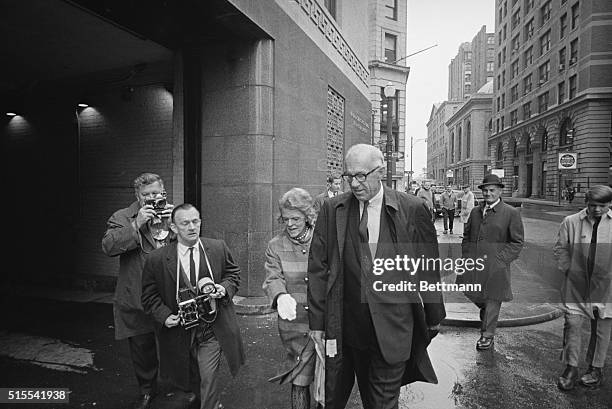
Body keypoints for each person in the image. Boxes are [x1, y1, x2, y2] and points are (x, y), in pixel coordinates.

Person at [307, 144, 445, 409]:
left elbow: (428, 265)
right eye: (350, 177)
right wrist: (317, 322)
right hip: (346, 329)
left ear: (380, 170)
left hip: (393, 328)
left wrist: (433, 314)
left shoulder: (412, 208)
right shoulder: (332, 209)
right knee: (334, 397)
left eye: (362, 175)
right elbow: (318, 267)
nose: (355, 184)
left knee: (381, 403)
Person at [141, 204, 244, 409]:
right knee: (190, 377)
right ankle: (205, 400)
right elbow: (148, 295)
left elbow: (233, 275)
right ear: (173, 227)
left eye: (195, 221)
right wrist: (164, 315)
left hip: (212, 329)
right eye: (185, 223)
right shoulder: (157, 259)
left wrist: (223, 289)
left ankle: (211, 405)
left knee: (208, 376)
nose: (191, 227)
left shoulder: (217, 248)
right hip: (181, 331)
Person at [102, 172, 174, 409]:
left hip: (168, 296)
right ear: (137, 196)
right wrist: (136, 224)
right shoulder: (122, 216)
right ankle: (147, 391)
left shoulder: (173, 214)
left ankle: (180, 387)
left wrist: (177, 223)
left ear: (163, 193)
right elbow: (109, 246)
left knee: (176, 344)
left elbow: (191, 244)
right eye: (146, 195)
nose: (152, 199)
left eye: (156, 194)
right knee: (142, 349)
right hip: (137, 297)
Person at [263, 188, 319, 409]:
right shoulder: (275, 245)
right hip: (295, 325)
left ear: (307, 216)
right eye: (286, 219)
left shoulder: (323, 239)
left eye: (296, 218)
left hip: (324, 324)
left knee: (327, 382)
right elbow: (272, 276)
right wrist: (280, 295)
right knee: (300, 380)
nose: (290, 224)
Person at [553, 185, 612, 390]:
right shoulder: (571, 222)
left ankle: (596, 369)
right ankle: (571, 367)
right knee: (572, 325)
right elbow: (561, 248)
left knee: (602, 328)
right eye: (592, 205)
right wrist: (568, 269)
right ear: (586, 203)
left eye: (602, 206)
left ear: (610, 204)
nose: (596, 210)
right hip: (576, 284)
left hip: (606, 286)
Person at [458, 174, 524, 351]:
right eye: (485, 190)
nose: (488, 193)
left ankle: (487, 335)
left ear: (500, 191)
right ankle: (486, 310)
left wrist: (501, 260)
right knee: (470, 291)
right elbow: (467, 236)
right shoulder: (476, 212)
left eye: (492, 190)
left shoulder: (510, 213)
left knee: (493, 298)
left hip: (496, 268)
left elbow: (517, 242)